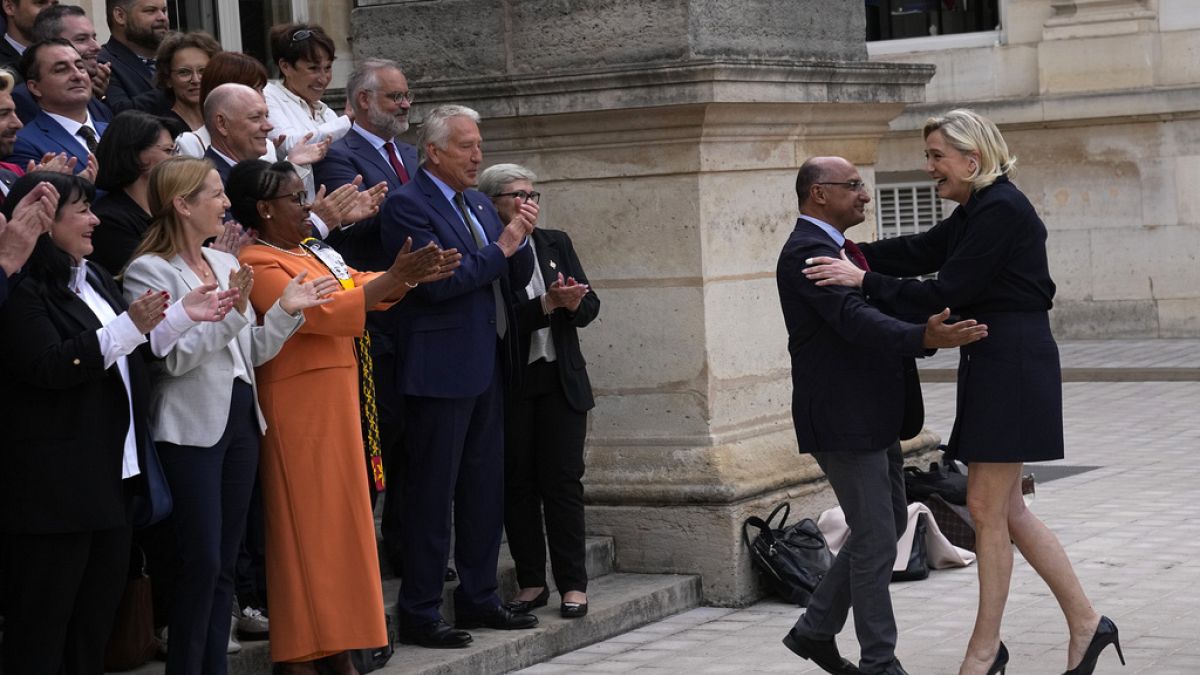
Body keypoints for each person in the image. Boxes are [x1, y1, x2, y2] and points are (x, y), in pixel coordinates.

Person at [803, 110, 1120, 675]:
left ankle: (985, 652)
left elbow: (950, 288)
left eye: (936, 157)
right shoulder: (978, 207)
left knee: (986, 508)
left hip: (1013, 362)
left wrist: (862, 281)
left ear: (971, 161)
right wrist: (856, 253)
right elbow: (925, 249)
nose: (929, 169)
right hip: (996, 357)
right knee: (1007, 510)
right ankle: (1086, 625)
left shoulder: (1000, 209)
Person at [0, 170, 234, 674]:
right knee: (42, 626)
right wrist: (132, 326)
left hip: (112, 476)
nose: (94, 219)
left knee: (93, 625)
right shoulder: (23, 291)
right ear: (42, 222)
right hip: (54, 490)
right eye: (81, 210)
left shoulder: (96, 277)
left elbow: (135, 350)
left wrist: (182, 317)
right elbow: (52, 365)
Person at [230, 159, 459, 673]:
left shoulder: (308, 250)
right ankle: (305, 652)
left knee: (343, 530)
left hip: (336, 399)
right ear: (264, 209)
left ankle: (341, 643)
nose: (308, 207)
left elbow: (356, 282)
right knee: (308, 531)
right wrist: (393, 279)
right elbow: (323, 314)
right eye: (295, 198)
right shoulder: (255, 261)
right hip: (297, 409)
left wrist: (404, 277)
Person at [122, 156, 338, 675]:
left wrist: (286, 309)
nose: (225, 203)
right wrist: (230, 314)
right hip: (190, 428)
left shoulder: (223, 264)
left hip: (242, 420)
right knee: (202, 562)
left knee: (221, 562)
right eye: (215, 194)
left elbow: (250, 353)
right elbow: (171, 358)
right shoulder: (148, 270)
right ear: (182, 203)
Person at [777, 156, 988, 675]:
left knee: (890, 521)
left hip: (873, 415)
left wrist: (933, 319)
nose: (865, 194)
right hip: (843, 418)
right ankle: (879, 662)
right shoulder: (809, 252)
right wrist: (923, 336)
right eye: (853, 186)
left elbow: (883, 295)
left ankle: (814, 630)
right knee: (874, 537)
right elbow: (855, 319)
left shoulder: (843, 251)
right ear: (819, 194)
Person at [381, 104, 539, 648]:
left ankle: (479, 595)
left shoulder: (476, 201)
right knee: (431, 494)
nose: (478, 156)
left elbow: (508, 276)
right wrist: (504, 244)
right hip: (438, 368)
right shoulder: (407, 205)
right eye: (467, 146)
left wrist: (519, 237)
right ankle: (422, 610)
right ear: (435, 151)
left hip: (487, 359)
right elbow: (440, 283)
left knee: (482, 489)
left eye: (479, 145)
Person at [478, 163, 599, 619]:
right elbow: (500, 323)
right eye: (515, 195)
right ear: (492, 204)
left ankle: (574, 584)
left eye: (533, 194)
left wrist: (571, 302)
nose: (527, 202)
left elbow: (590, 306)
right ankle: (532, 581)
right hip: (514, 382)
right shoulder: (491, 250)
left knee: (563, 483)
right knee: (519, 485)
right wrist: (545, 304)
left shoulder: (555, 241)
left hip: (560, 379)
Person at [313, 56, 415, 572]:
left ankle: (404, 544)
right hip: (372, 316)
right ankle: (365, 550)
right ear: (361, 102)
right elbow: (350, 230)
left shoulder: (413, 154)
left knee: (414, 438)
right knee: (380, 432)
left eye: (406, 95)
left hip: (418, 311)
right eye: (394, 96)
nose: (404, 104)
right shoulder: (338, 155)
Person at [262, 23, 349, 195]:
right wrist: (348, 120)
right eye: (313, 68)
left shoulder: (327, 113)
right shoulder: (267, 97)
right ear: (285, 67)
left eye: (328, 68)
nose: (323, 79)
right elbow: (291, 144)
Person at [88, 110, 173, 275]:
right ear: (138, 155)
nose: (177, 159)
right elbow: (144, 275)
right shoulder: (108, 220)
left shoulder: (171, 207)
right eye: (168, 151)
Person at [9, 38, 102, 177]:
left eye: (80, 66)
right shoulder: (23, 144)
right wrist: (80, 185)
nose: (77, 75)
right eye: (61, 70)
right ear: (35, 87)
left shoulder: (114, 129)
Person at [17, 4, 113, 124]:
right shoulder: (21, 102)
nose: (97, 47)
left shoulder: (97, 104)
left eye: (94, 37)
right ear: (51, 42)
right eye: (81, 39)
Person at [174, 51, 269, 159]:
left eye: (261, 90)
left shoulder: (267, 147)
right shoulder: (191, 144)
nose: (261, 98)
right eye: (253, 90)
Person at [100, 0, 169, 113]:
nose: (163, 18)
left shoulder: (172, 60)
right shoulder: (103, 64)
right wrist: (173, 88)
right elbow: (122, 114)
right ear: (120, 16)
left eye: (164, 11)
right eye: (150, 11)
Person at [153, 31, 221, 136]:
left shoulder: (225, 122)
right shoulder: (163, 130)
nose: (196, 80)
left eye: (203, 71)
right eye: (184, 72)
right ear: (168, 79)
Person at [0, 0, 56, 74]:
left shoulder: (67, 54)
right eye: (40, 3)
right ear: (9, 7)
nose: (52, 13)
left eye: (54, 4)